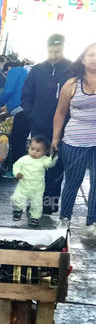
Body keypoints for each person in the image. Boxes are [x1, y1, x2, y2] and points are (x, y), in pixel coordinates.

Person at [23, 33, 73, 214]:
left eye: (57, 51)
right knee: (35, 166)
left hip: (63, 128)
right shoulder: (37, 70)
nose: (53, 55)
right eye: (51, 51)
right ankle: (33, 202)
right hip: (39, 125)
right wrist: (31, 115)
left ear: (63, 49)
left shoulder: (72, 69)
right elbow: (27, 95)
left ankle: (49, 205)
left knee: (55, 167)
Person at [53, 42, 96, 234]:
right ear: (83, 59)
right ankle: (65, 217)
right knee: (72, 181)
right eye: (91, 55)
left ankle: (92, 223)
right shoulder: (72, 84)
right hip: (74, 142)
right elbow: (60, 113)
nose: (95, 59)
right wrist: (55, 138)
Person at [11, 137, 57, 227]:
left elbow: (50, 163)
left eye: (38, 150)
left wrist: (54, 156)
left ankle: (34, 217)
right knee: (16, 198)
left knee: (37, 204)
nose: (34, 152)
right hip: (23, 186)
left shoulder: (44, 160)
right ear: (29, 147)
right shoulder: (24, 159)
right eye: (32, 149)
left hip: (38, 188)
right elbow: (16, 166)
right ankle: (17, 210)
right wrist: (17, 173)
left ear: (44, 152)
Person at [0, 61, 31, 172]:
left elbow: (9, 90)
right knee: (20, 141)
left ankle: (16, 169)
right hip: (27, 109)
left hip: (21, 109)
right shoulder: (25, 71)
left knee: (17, 141)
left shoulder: (15, 71)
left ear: (8, 67)